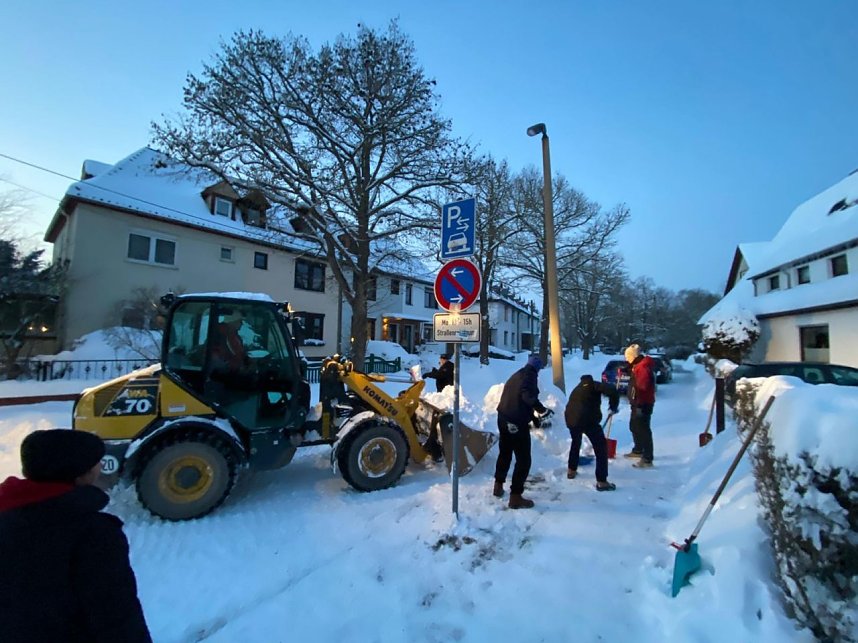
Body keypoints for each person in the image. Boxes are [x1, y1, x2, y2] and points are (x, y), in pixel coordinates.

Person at [0, 429, 152, 643]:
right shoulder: (94, 534)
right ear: (81, 474)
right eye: (95, 462)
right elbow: (115, 614)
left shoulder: (6, 519)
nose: (100, 467)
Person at [493, 354, 552, 509]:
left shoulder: (518, 374)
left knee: (505, 452)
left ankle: (498, 485)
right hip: (516, 422)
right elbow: (526, 395)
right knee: (524, 459)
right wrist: (542, 409)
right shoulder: (530, 376)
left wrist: (533, 418)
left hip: (503, 417)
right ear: (538, 367)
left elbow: (519, 399)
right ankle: (516, 497)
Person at [564, 374, 620, 491]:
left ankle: (571, 470)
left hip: (571, 419)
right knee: (601, 448)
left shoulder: (577, 388)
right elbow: (612, 390)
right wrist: (613, 406)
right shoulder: (594, 385)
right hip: (588, 421)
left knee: (576, 443)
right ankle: (602, 481)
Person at [623, 344, 657, 467]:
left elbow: (643, 387)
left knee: (643, 430)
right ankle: (638, 450)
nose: (626, 359)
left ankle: (647, 458)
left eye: (627, 357)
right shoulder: (638, 365)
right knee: (634, 426)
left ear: (633, 356)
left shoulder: (642, 368)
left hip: (642, 404)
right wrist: (626, 370)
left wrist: (637, 399)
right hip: (636, 403)